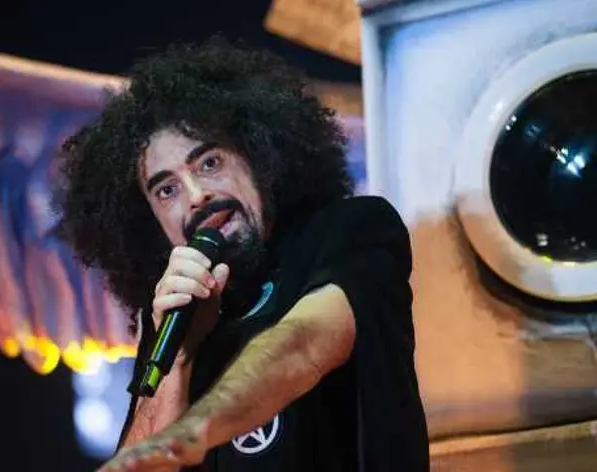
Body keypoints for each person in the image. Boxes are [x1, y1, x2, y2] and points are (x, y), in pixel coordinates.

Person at [54, 37, 430, 472]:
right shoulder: (174, 317)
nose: (196, 195)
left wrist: (192, 433)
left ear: (257, 154)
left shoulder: (352, 229)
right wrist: (179, 359)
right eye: (167, 189)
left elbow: (304, 346)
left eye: (209, 163)